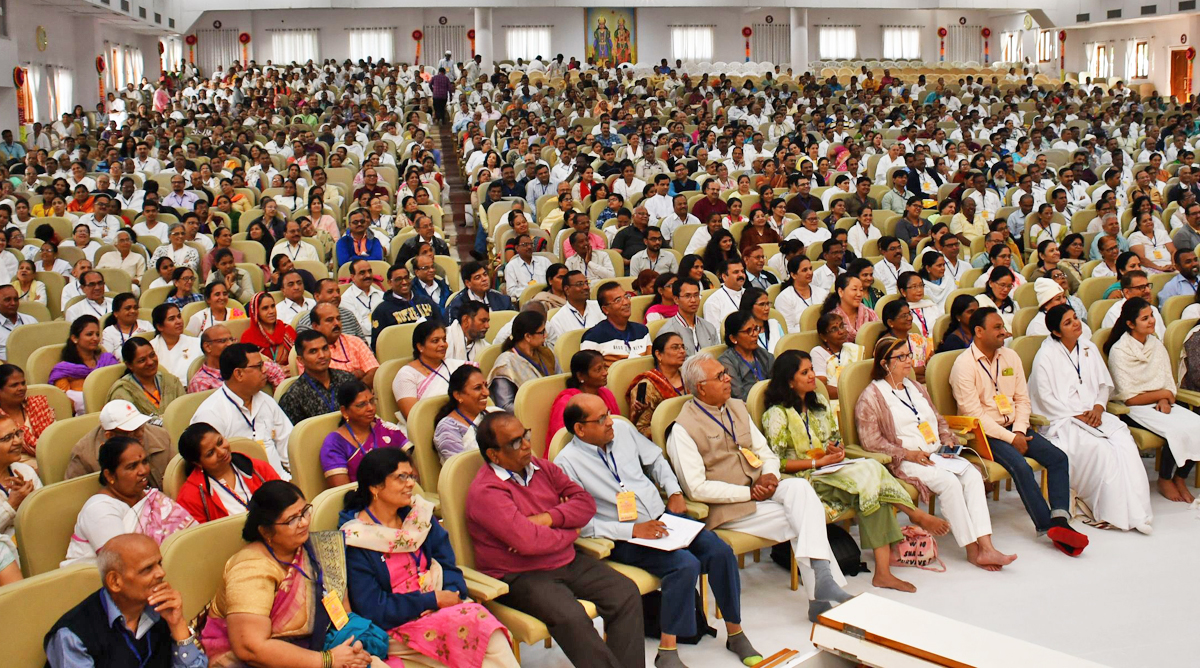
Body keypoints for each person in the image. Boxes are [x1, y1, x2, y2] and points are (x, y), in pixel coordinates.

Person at [557, 393, 764, 668]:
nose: (610, 421)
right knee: (684, 565)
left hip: (662, 519)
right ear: (580, 429)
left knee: (720, 551)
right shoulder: (566, 463)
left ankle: (735, 633)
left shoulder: (623, 431)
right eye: (601, 418)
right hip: (623, 538)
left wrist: (674, 491)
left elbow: (655, 460)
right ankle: (667, 651)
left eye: (608, 413)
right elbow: (580, 524)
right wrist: (632, 530)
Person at [666, 353, 852, 621]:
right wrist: (748, 493)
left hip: (761, 490)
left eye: (726, 372)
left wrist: (770, 476)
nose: (728, 379)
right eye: (720, 376)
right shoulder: (682, 429)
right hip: (730, 509)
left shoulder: (736, 407)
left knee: (801, 490)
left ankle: (822, 585)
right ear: (701, 388)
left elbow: (766, 454)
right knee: (803, 517)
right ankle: (820, 597)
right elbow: (696, 489)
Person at [465, 411, 645, 668]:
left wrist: (548, 518)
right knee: (572, 617)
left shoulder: (542, 468)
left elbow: (585, 504)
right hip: (520, 575)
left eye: (525, 435)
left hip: (566, 560)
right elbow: (528, 542)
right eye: (515, 442)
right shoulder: (486, 491)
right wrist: (570, 531)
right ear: (494, 455)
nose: (526, 445)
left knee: (625, 593)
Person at [765, 350, 946, 592]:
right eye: (805, 372)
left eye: (812, 370)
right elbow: (776, 463)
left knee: (872, 484)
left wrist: (835, 451)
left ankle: (883, 573)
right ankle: (913, 516)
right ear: (789, 381)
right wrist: (818, 463)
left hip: (833, 470)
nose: (812, 376)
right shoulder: (776, 415)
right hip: (804, 479)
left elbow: (837, 441)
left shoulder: (820, 405)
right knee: (871, 473)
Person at [338, 448, 520, 668]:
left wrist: (451, 592)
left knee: (489, 634)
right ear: (375, 486)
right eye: (401, 477)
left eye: (411, 476)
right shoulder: (357, 540)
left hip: (441, 606)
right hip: (397, 623)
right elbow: (372, 607)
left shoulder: (418, 518)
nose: (410, 484)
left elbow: (448, 565)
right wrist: (431, 600)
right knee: (483, 636)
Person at [856, 337, 1017, 571]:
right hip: (906, 461)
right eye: (901, 357)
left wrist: (948, 441)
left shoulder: (915, 387)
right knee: (950, 483)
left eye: (909, 355)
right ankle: (972, 551)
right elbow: (871, 441)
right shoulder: (871, 397)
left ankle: (987, 546)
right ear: (884, 363)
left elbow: (938, 419)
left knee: (972, 476)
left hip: (936, 455)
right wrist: (907, 453)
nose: (908, 361)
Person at [950, 307, 1088, 555]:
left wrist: (1020, 431)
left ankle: (1059, 519)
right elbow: (975, 416)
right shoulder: (964, 366)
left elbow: (1022, 400)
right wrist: (1011, 438)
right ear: (979, 332)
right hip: (985, 434)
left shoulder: (1010, 357)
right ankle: (1047, 526)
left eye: (1003, 326)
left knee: (1058, 458)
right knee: (1021, 467)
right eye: (997, 328)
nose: (1004, 331)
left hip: (1017, 427)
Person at [198, 480, 378, 668]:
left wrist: (353, 644)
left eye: (305, 511)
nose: (304, 522)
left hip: (315, 651)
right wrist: (327, 660)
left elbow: (343, 615)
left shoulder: (314, 551)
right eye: (292, 520)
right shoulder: (251, 568)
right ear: (266, 531)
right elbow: (250, 648)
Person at [1029, 304, 1153, 531]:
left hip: (1094, 414)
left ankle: (1138, 512)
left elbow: (1104, 385)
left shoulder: (1088, 347)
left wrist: (1097, 408)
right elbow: (1044, 398)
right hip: (1063, 420)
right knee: (1101, 450)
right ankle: (1109, 512)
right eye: (1068, 322)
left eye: (1075, 318)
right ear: (1056, 332)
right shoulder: (1045, 355)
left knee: (1124, 444)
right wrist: (1077, 415)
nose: (1076, 323)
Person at [45, 534, 207, 668]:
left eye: (159, 563)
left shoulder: (162, 610)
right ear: (115, 582)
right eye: (147, 569)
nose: (161, 573)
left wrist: (177, 624)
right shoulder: (73, 636)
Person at [1107, 297, 1200, 503]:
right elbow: (1129, 398)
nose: (1151, 321)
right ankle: (1164, 479)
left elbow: (1168, 383)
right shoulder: (1119, 350)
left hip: (1161, 403)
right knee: (1174, 432)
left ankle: (1180, 477)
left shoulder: (1156, 344)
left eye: (1151, 316)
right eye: (1145, 318)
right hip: (1132, 410)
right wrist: (1162, 395)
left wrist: (1165, 399)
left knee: (1198, 426)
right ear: (1130, 324)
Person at [62, 437, 196, 566]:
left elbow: (191, 538)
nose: (143, 471)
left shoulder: (152, 498)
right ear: (109, 475)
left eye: (144, 462)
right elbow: (121, 562)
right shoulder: (99, 510)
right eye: (132, 467)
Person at [191, 344, 294, 479]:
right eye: (259, 366)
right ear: (239, 374)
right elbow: (212, 469)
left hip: (282, 481)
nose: (265, 370)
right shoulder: (211, 414)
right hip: (243, 488)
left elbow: (288, 448)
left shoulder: (266, 401)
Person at [175, 422, 281, 522]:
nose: (221, 452)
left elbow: (284, 500)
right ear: (198, 463)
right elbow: (200, 535)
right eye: (210, 453)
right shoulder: (190, 497)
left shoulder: (257, 468)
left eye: (220, 442)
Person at [321, 379, 408, 486]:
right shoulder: (335, 443)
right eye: (361, 405)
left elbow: (412, 473)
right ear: (344, 411)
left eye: (372, 401)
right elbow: (343, 489)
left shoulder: (387, 429)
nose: (370, 408)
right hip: (362, 496)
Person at [278, 329, 359, 425]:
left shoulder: (347, 379)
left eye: (325, 348)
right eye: (313, 351)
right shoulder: (293, 397)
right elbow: (295, 433)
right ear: (301, 360)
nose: (322, 355)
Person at [393, 318, 467, 421]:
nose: (443, 344)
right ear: (420, 347)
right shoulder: (406, 375)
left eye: (444, 339)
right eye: (435, 341)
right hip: (427, 427)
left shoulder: (456, 366)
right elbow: (413, 418)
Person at [488, 311, 558, 411]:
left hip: (554, 408)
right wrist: (536, 411)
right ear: (528, 336)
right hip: (527, 416)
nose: (546, 335)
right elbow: (505, 406)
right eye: (542, 332)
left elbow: (559, 381)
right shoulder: (506, 364)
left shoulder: (546, 353)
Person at [547, 350, 622, 443]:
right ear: (581, 376)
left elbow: (618, 426)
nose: (605, 372)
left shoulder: (606, 394)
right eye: (598, 370)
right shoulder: (567, 403)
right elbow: (563, 440)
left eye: (605, 367)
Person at [52, 315, 121, 415]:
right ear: (74, 338)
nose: (95, 338)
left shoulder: (108, 361)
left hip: (115, 411)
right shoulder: (64, 370)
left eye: (97, 334)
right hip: (84, 418)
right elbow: (65, 405)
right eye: (89, 334)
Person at [188, 324, 287, 393]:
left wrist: (278, 399)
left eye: (231, 339)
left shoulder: (244, 363)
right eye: (223, 341)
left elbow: (275, 370)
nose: (230, 344)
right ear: (207, 347)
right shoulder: (200, 383)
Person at [433, 365, 500, 463]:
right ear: (458, 395)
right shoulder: (447, 428)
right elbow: (461, 467)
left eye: (485, 386)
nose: (486, 392)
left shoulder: (495, 413)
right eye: (478, 388)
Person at [626, 332, 688, 439]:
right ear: (659, 355)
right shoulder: (648, 386)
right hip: (668, 438)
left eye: (683, 347)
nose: (682, 351)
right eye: (675, 348)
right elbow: (640, 429)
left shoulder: (689, 377)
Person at [107, 338, 185, 421]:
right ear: (129, 365)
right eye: (142, 360)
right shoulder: (123, 391)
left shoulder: (171, 381)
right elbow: (128, 423)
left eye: (152, 355)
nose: (150, 362)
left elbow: (185, 410)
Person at [581, 281, 652, 365]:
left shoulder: (642, 331)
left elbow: (650, 364)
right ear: (605, 309)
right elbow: (590, 371)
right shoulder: (593, 338)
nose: (626, 302)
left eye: (626, 296)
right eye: (618, 300)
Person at [719, 310, 774, 401]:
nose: (755, 334)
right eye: (749, 331)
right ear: (733, 338)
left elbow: (777, 383)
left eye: (756, 329)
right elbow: (738, 395)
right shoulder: (726, 361)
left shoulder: (763, 354)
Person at [658, 276, 720, 356]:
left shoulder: (709, 327)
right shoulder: (667, 332)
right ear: (676, 299)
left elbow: (717, 356)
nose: (693, 300)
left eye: (696, 295)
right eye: (687, 296)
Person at [546, 270, 604, 348]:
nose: (586, 287)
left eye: (586, 283)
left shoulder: (600, 307)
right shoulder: (558, 320)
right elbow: (562, 350)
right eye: (580, 284)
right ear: (567, 289)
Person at [1101, 270, 1166, 338]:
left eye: (1147, 286)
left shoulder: (1153, 309)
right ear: (1127, 292)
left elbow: (1162, 338)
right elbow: (1119, 341)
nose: (1148, 291)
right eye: (1141, 287)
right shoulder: (1115, 313)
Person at [240, 292, 296, 369]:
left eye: (273, 306)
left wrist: (291, 368)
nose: (271, 311)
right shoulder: (248, 337)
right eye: (265, 308)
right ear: (256, 312)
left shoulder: (287, 330)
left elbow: (299, 357)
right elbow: (248, 367)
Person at [149, 303, 202, 383]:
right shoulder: (151, 348)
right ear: (160, 326)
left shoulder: (197, 343)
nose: (179, 321)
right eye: (171, 319)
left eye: (179, 316)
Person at [446, 261, 513, 322]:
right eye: (478, 277)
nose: (484, 279)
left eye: (485, 274)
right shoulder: (457, 306)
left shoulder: (503, 300)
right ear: (468, 283)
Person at [1027, 277, 1092, 339]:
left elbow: (1087, 334)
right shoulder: (1038, 326)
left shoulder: (1069, 315)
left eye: (1064, 297)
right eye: (1058, 299)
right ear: (1045, 304)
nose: (1063, 301)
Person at [776, 256, 828, 334]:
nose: (810, 273)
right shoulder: (784, 298)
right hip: (799, 338)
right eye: (804, 270)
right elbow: (787, 329)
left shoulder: (822, 293)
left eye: (810, 269)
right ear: (793, 275)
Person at [820, 273, 877, 341]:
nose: (859, 294)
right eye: (854, 289)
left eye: (861, 290)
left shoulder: (869, 313)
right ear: (841, 292)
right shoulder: (832, 319)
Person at [702, 258, 746, 329]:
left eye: (742, 271)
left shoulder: (752, 294)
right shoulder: (713, 302)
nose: (741, 275)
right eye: (736, 272)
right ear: (724, 277)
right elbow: (714, 332)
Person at [974, 265, 1017, 330]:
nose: (1006, 289)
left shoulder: (1014, 305)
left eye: (1009, 286)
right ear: (991, 283)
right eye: (1002, 285)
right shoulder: (980, 300)